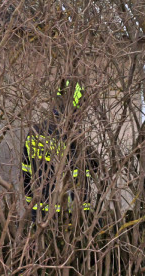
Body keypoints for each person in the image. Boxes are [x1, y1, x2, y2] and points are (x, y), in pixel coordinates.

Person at [22, 79, 97, 220]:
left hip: (39, 214)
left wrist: (31, 207)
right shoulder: (74, 137)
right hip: (71, 215)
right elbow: (95, 168)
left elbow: (25, 174)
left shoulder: (35, 131)